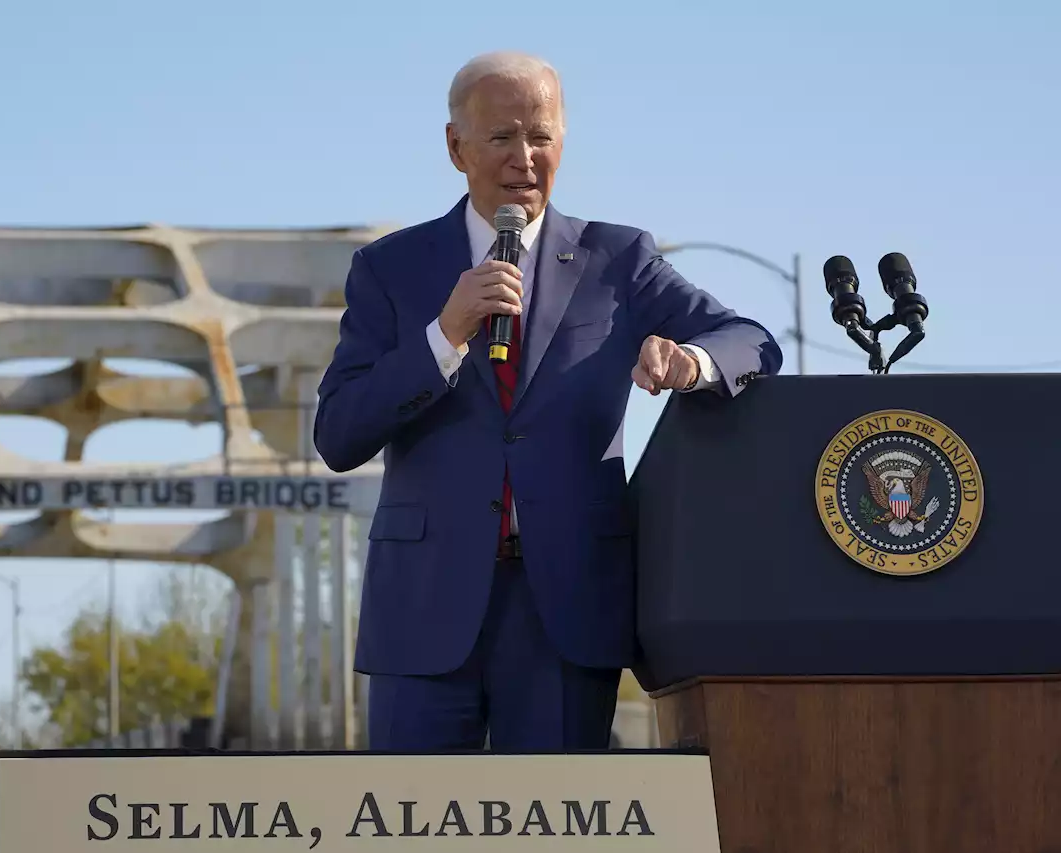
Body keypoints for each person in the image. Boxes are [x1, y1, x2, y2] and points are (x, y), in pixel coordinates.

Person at [313, 51, 783, 752]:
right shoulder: (389, 269)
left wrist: (692, 361)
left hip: (566, 609)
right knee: (407, 818)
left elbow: (751, 340)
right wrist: (444, 335)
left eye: (541, 136)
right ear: (456, 147)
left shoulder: (618, 260)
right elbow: (339, 432)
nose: (524, 157)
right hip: (423, 606)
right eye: (502, 137)